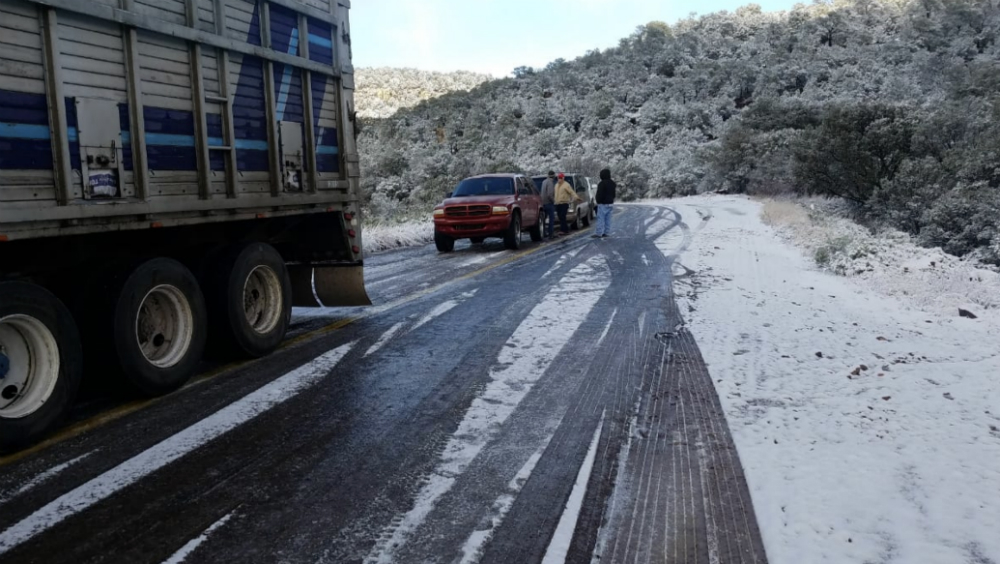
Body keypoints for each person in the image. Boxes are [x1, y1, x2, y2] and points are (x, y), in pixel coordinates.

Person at [592, 168, 616, 238]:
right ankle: (607, 232)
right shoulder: (612, 183)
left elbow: (600, 194)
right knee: (608, 219)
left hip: (603, 204)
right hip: (610, 203)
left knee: (601, 218)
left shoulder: (601, 184)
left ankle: (599, 233)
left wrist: (598, 201)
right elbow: (614, 194)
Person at [539, 171, 557, 238]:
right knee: (551, 219)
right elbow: (549, 194)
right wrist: (553, 201)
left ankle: (543, 232)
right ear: (553, 176)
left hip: (543, 203)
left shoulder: (544, 181)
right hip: (549, 203)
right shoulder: (550, 183)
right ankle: (551, 233)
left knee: (543, 219)